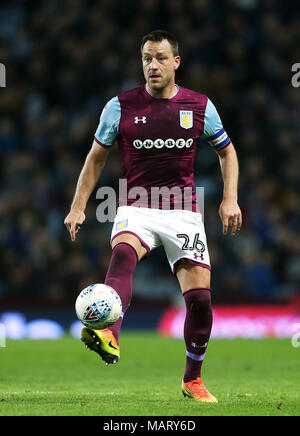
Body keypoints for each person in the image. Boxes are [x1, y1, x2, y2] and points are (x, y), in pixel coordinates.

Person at [64, 29, 242, 403]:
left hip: (183, 211)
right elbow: (96, 157)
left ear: (176, 62)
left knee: (200, 302)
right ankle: (110, 334)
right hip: (136, 204)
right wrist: (78, 206)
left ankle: (192, 379)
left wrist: (230, 199)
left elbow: (227, 152)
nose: (153, 65)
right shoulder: (120, 106)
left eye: (161, 57)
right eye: (147, 58)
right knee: (124, 255)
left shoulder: (200, 106)